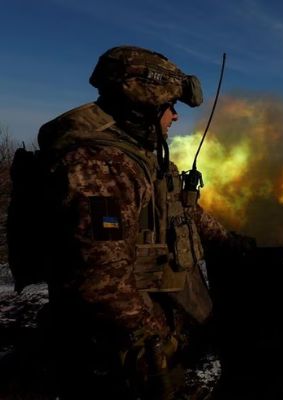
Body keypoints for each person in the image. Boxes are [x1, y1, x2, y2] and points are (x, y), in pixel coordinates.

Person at [34, 45, 250, 399]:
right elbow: (101, 284)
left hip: (145, 339)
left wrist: (230, 243)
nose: (175, 118)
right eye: (170, 108)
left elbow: (182, 208)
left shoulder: (142, 159)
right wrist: (155, 337)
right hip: (119, 353)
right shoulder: (102, 166)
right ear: (146, 107)